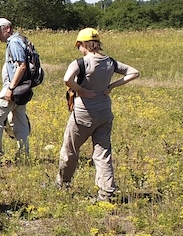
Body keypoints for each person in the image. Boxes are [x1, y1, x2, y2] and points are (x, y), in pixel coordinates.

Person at [57, 28, 140, 201]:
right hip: (104, 112)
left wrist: (81, 90)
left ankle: (63, 183)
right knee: (103, 153)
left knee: (70, 150)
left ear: (82, 44)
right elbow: (134, 72)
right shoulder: (110, 62)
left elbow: (67, 79)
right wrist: (111, 86)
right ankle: (107, 192)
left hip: (83, 113)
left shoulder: (80, 63)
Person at [0, 17, 31, 162]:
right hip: (23, 89)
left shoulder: (14, 42)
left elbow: (21, 66)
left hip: (13, 88)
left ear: (7, 29)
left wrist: (10, 88)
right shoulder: (21, 40)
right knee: (19, 121)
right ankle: (23, 155)